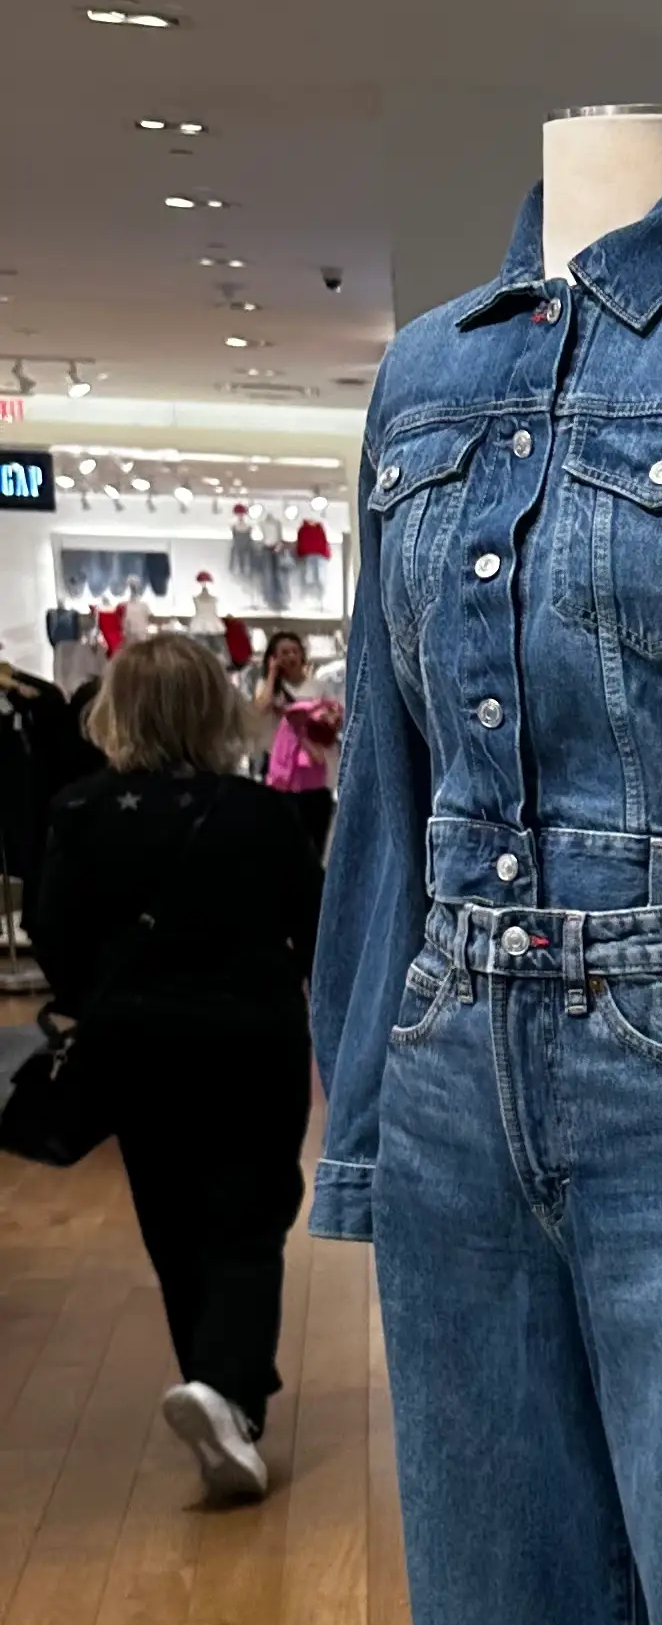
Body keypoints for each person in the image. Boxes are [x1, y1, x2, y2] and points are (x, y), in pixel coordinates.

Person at [31, 633, 319, 1505]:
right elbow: (310, 933)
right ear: (215, 709)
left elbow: (56, 941)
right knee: (251, 1213)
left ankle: (215, 1388)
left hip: (133, 1045)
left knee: (172, 1221)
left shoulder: (78, 812)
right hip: (251, 1040)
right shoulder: (262, 815)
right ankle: (226, 1394)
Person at [246, 627, 343, 856]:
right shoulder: (269, 688)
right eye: (283, 652)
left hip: (317, 769)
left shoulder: (319, 686)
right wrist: (271, 674)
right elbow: (260, 708)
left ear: (302, 655)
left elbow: (336, 718)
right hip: (282, 771)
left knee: (315, 831)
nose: (289, 657)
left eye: (294, 651)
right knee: (284, 835)